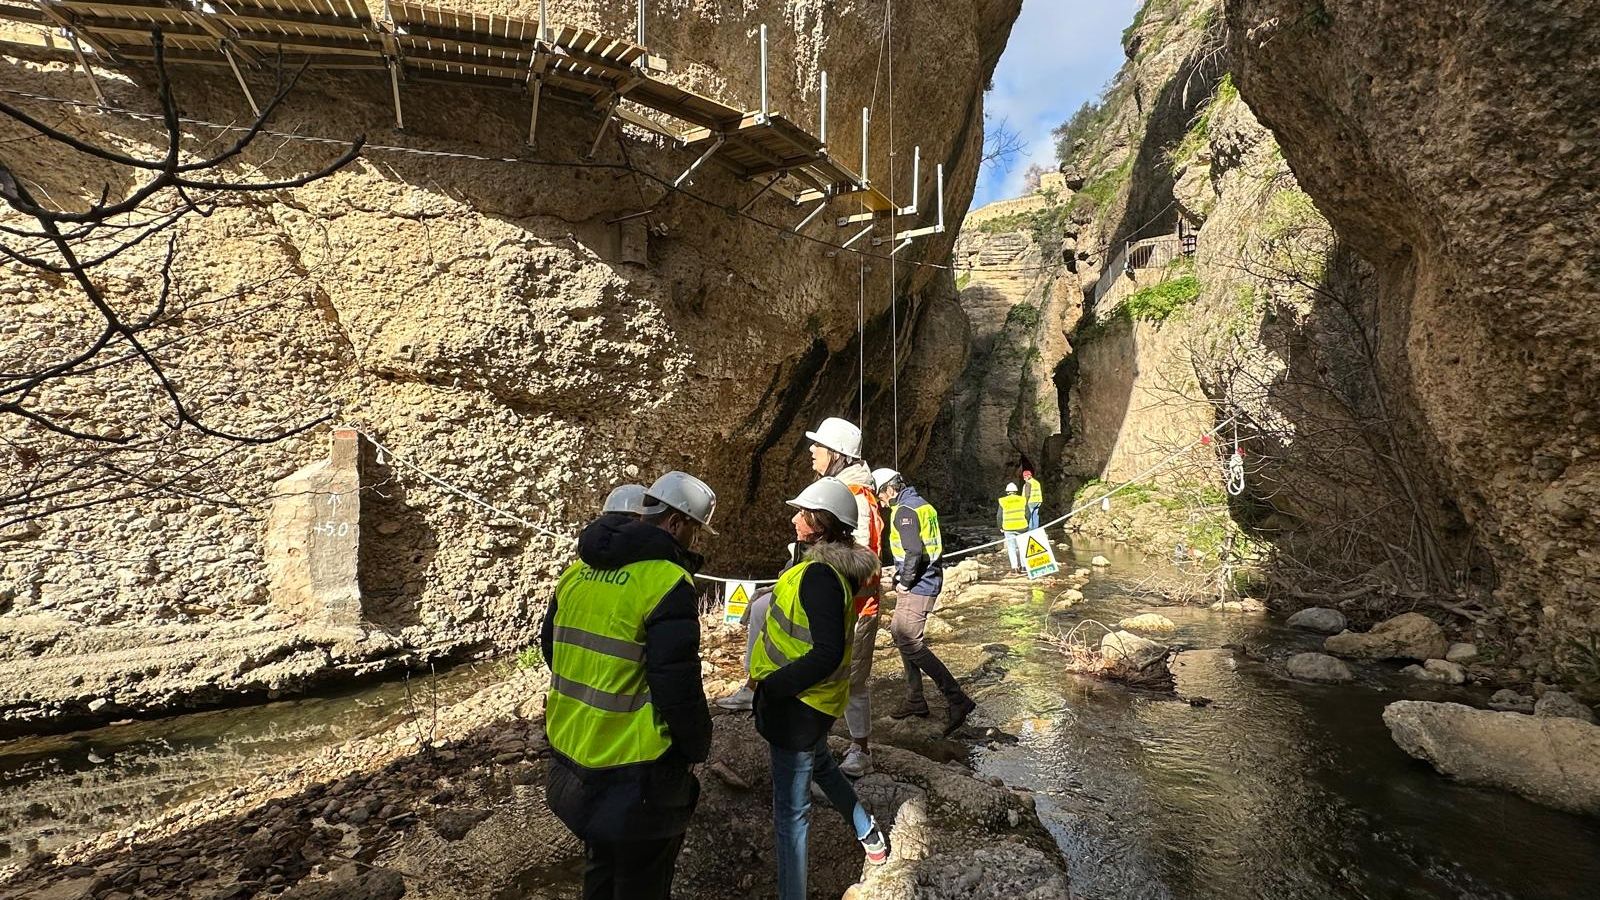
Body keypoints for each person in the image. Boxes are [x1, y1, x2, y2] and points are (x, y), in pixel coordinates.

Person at [540, 471, 717, 900]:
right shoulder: (666, 581)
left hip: (574, 748)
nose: (695, 540)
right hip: (636, 768)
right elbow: (676, 683)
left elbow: (553, 649)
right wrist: (697, 744)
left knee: (600, 869)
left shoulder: (575, 575)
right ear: (675, 523)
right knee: (643, 882)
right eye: (694, 529)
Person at [719, 417, 883, 781]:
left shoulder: (857, 499)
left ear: (837, 454)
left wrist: (821, 589)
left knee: (852, 680)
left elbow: (862, 561)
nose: (811, 451)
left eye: (818, 446)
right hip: (820, 598)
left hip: (850, 607)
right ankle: (753, 686)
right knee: (763, 609)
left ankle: (861, 749)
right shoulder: (835, 489)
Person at [751, 477, 890, 900]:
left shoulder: (820, 577)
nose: (794, 519)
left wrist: (774, 687)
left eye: (802, 513)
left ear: (820, 522)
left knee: (791, 815)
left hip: (798, 704)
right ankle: (869, 835)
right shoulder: (826, 571)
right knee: (823, 765)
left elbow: (827, 652)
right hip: (811, 701)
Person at [872, 467, 976, 734]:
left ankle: (957, 699)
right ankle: (915, 698)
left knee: (911, 642)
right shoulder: (922, 505)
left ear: (891, 490)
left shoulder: (905, 511)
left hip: (920, 584)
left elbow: (915, 551)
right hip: (927, 578)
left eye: (881, 494)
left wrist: (903, 582)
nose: (881, 501)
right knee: (898, 632)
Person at [997, 482, 1029, 572]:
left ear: (1007, 492)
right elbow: (1028, 514)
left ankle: (1015, 567)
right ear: (1016, 491)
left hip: (1008, 528)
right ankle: (1024, 567)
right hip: (1022, 527)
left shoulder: (1003, 501)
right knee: (1022, 547)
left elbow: (999, 516)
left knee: (1011, 548)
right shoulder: (1022, 500)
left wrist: (1000, 527)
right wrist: (1026, 523)